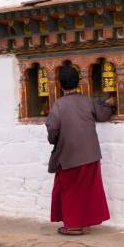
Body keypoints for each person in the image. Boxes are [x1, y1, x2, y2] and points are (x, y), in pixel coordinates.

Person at [46, 65, 116, 235]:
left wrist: (53, 140)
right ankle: (85, 224)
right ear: (78, 82)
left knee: (69, 191)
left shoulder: (58, 105)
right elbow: (102, 115)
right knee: (88, 191)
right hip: (91, 154)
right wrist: (108, 104)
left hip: (69, 156)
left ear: (60, 85)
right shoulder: (88, 101)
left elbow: (53, 130)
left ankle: (73, 226)